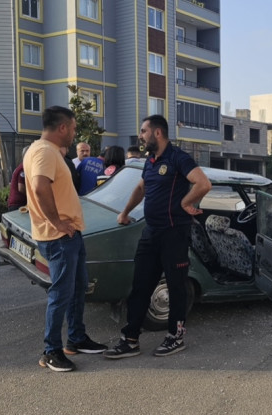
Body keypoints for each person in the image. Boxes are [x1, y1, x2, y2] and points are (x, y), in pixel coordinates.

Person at [104, 115, 211, 359]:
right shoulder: (150, 161)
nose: (140, 136)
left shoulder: (178, 158)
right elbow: (141, 188)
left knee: (176, 287)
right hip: (151, 233)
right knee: (140, 286)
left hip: (174, 234)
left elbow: (203, 183)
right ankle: (130, 338)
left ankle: (176, 336)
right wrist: (124, 212)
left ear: (158, 133)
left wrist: (185, 201)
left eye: (143, 131)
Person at [23, 106, 107, 372]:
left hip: (69, 234)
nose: (73, 133)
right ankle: (51, 351)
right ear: (62, 128)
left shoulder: (48, 152)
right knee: (61, 293)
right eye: (72, 128)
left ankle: (76, 338)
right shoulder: (45, 151)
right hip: (59, 236)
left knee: (78, 286)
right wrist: (57, 222)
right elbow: (39, 186)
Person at [7, 146, 30, 212]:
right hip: (17, 205)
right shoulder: (23, 168)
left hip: (17, 204)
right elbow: (21, 188)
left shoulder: (23, 167)